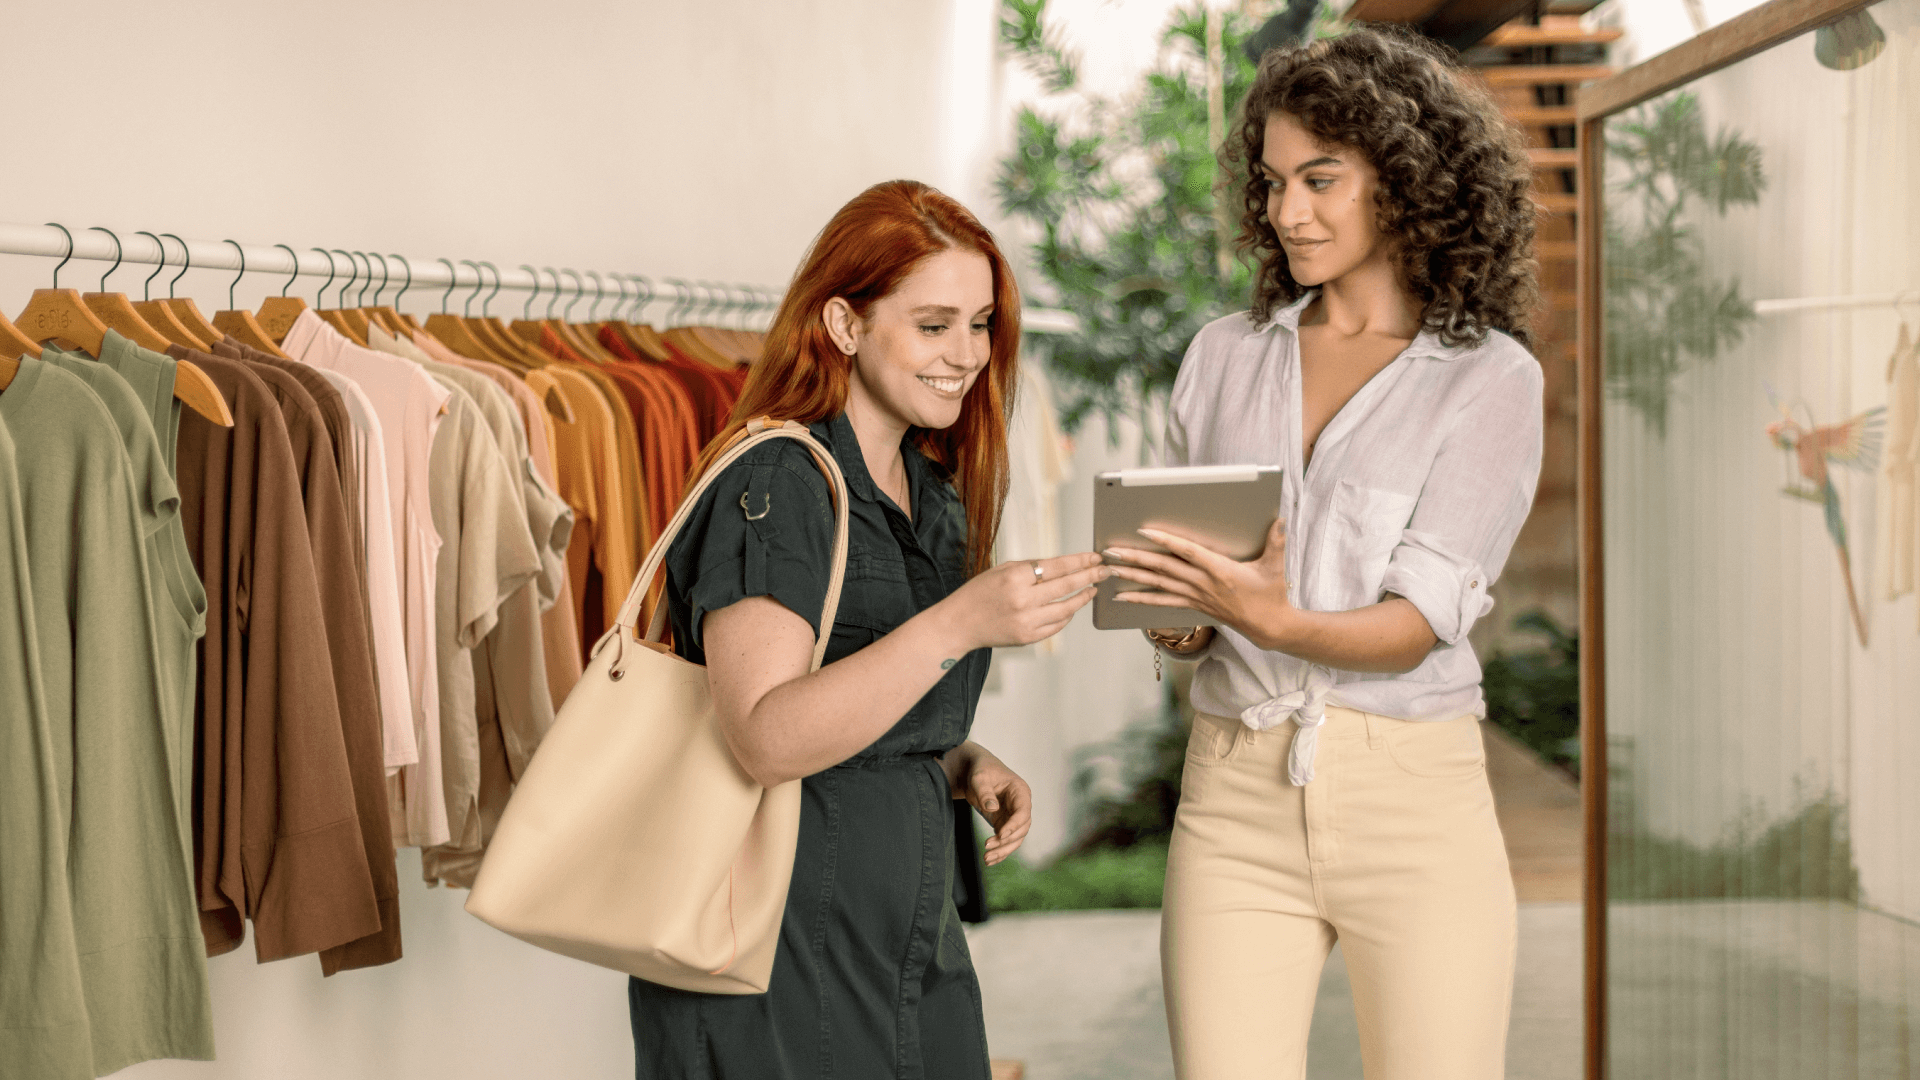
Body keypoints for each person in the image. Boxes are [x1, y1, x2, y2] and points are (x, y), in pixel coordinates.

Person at [1105, 28, 1544, 1080]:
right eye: (1270, 183)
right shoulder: (1221, 357)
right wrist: (1168, 605)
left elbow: (1411, 628)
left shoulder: (1488, 382)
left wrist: (1268, 615)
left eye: (1319, 179)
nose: (1284, 211)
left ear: (1403, 175)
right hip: (1233, 801)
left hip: (1416, 807)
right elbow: (1187, 622)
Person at [627, 179, 1109, 1080]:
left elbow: (858, 693)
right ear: (845, 325)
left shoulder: (931, 492)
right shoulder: (775, 484)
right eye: (933, 325)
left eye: (980, 324)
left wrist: (957, 759)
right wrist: (963, 622)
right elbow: (766, 736)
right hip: (776, 948)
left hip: (904, 938)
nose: (965, 354)